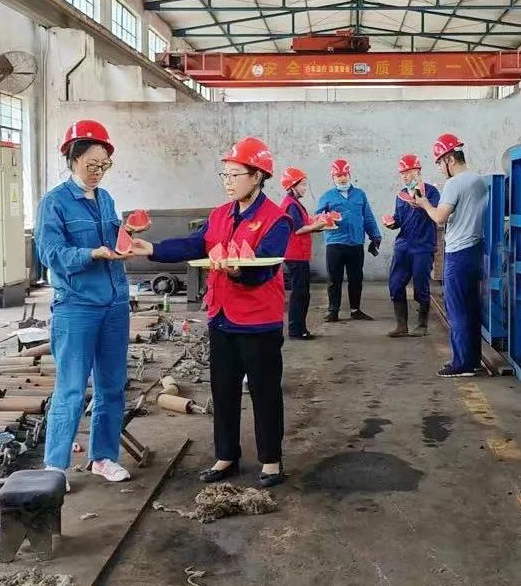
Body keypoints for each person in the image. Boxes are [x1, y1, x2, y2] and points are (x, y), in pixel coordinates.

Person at [130, 137, 292, 487]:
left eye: (235, 174)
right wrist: (153, 248)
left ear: (258, 176)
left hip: (258, 322)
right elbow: (195, 245)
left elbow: (266, 266)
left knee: (264, 392)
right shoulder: (220, 215)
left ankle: (271, 461)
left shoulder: (276, 219)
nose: (228, 182)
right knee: (223, 390)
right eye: (225, 175)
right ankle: (226, 456)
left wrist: (237, 271)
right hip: (222, 318)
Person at [35, 119, 132, 491]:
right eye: (92, 164)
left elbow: (116, 241)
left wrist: (129, 236)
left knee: (112, 386)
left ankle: (103, 457)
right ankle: (55, 465)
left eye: (104, 165)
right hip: (76, 306)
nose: (98, 172)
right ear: (72, 158)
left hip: (114, 304)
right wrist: (91, 253)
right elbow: (50, 254)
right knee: (72, 388)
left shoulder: (106, 199)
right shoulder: (54, 203)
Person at [414, 134, 488, 377]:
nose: (438, 167)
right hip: (476, 250)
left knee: (457, 310)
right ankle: (473, 360)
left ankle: (462, 364)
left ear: (449, 159)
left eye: (439, 162)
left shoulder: (454, 184)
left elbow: (439, 218)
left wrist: (424, 204)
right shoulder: (479, 180)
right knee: (471, 308)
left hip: (458, 252)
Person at [317, 158, 381, 322]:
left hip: (355, 243)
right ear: (333, 177)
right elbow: (318, 217)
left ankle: (355, 310)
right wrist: (326, 219)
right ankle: (333, 311)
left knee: (356, 279)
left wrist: (375, 235)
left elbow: (368, 217)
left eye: (344, 175)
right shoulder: (327, 196)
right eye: (338, 175)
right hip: (335, 243)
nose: (342, 178)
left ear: (349, 175)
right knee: (334, 279)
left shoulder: (360, 194)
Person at [383, 154, 440, 338]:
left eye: (409, 172)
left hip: (423, 246)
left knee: (421, 285)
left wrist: (422, 203)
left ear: (418, 172)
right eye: (402, 173)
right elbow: (399, 219)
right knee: (395, 283)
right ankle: (401, 325)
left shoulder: (431, 192)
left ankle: (422, 325)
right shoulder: (401, 196)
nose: (405, 176)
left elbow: (436, 214)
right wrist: (392, 223)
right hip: (403, 246)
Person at [279, 167, 326, 340]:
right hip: (296, 255)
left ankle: (298, 328)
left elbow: (302, 225)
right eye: (302, 185)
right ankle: (297, 330)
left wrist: (315, 225)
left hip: (298, 254)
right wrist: (317, 225)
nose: (305, 188)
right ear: (292, 186)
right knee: (301, 293)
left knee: (302, 292)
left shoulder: (293, 203)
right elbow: (298, 229)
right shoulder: (291, 205)